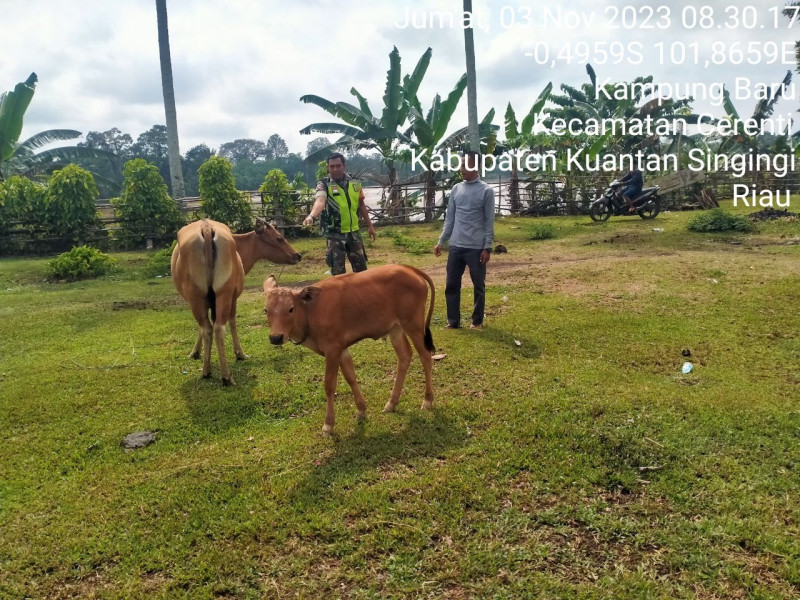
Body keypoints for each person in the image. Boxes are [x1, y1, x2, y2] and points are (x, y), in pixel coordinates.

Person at [433, 150, 495, 329]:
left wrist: (487, 247)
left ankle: (477, 321)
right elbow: (450, 218)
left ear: (476, 166)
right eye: (460, 165)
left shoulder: (486, 191)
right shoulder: (456, 189)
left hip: (476, 247)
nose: (462, 169)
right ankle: (453, 321)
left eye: (465, 165)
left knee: (478, 285)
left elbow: (489, 221)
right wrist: (441, 241)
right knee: (451, 284)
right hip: (456, 246)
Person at [303, 153, 376, 275]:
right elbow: (320, 201)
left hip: (354, 233)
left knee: (362, 272)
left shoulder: (355, 182)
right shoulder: (323, 184)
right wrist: (311, 216)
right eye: (332, 166)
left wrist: (370, 226)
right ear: (328, 167)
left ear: (344, 166)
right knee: (338, 273)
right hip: (334, 234)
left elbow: (361, 204)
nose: (335, 169)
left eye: (338, 166)